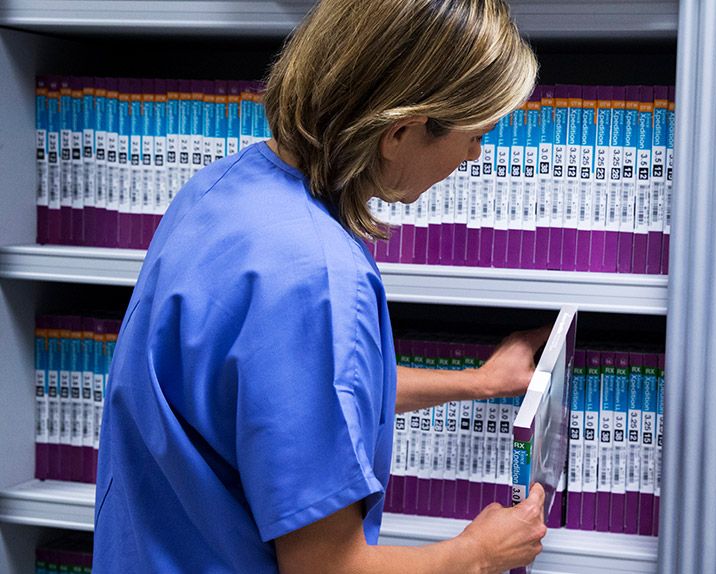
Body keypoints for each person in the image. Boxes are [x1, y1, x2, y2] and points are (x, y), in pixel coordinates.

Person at [93, 0, 549, 572]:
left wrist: (478, 383)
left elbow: (292, 395)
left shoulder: (221, 189)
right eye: (474, 133)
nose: (474, 153)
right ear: (401, 131)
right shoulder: (315, 275)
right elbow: (327, 567)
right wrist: (479, 553)